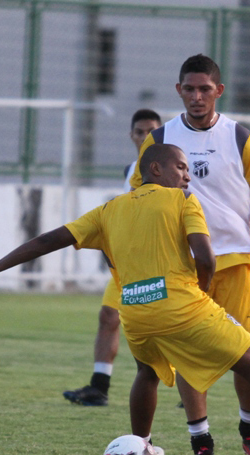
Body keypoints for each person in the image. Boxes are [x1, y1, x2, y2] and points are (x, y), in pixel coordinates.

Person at [0, 143, 250, 455]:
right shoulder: (182, 200)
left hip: (135, 313)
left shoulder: (109, 209)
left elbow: (48, 240)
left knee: (147, 374)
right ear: (156, 168)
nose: (188, 176)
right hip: (183, 307)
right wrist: (202, 291)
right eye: (181, 167)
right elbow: (206, 257)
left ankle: (139, 447)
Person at [129, 54, 250, 455]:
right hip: (181, 264)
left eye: (205, 89)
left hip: (233, 259)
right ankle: (201, 441)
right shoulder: (160, 137)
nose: (197, 96)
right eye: (190, 89)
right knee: (189, 353)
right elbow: (138, 198)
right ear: (179, 90)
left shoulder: (239, 136)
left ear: (219, 91)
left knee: (246, 353)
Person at [63, 108, 162, 407]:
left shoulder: (167, 169)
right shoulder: (130, 170)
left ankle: (193, 386)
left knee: (167, 327)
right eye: (140, 132)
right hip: (128, 263)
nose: (145, 137)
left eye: (151, 131)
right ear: (131, 135)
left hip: (158, 263)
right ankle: (99, 387)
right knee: (108, 316)